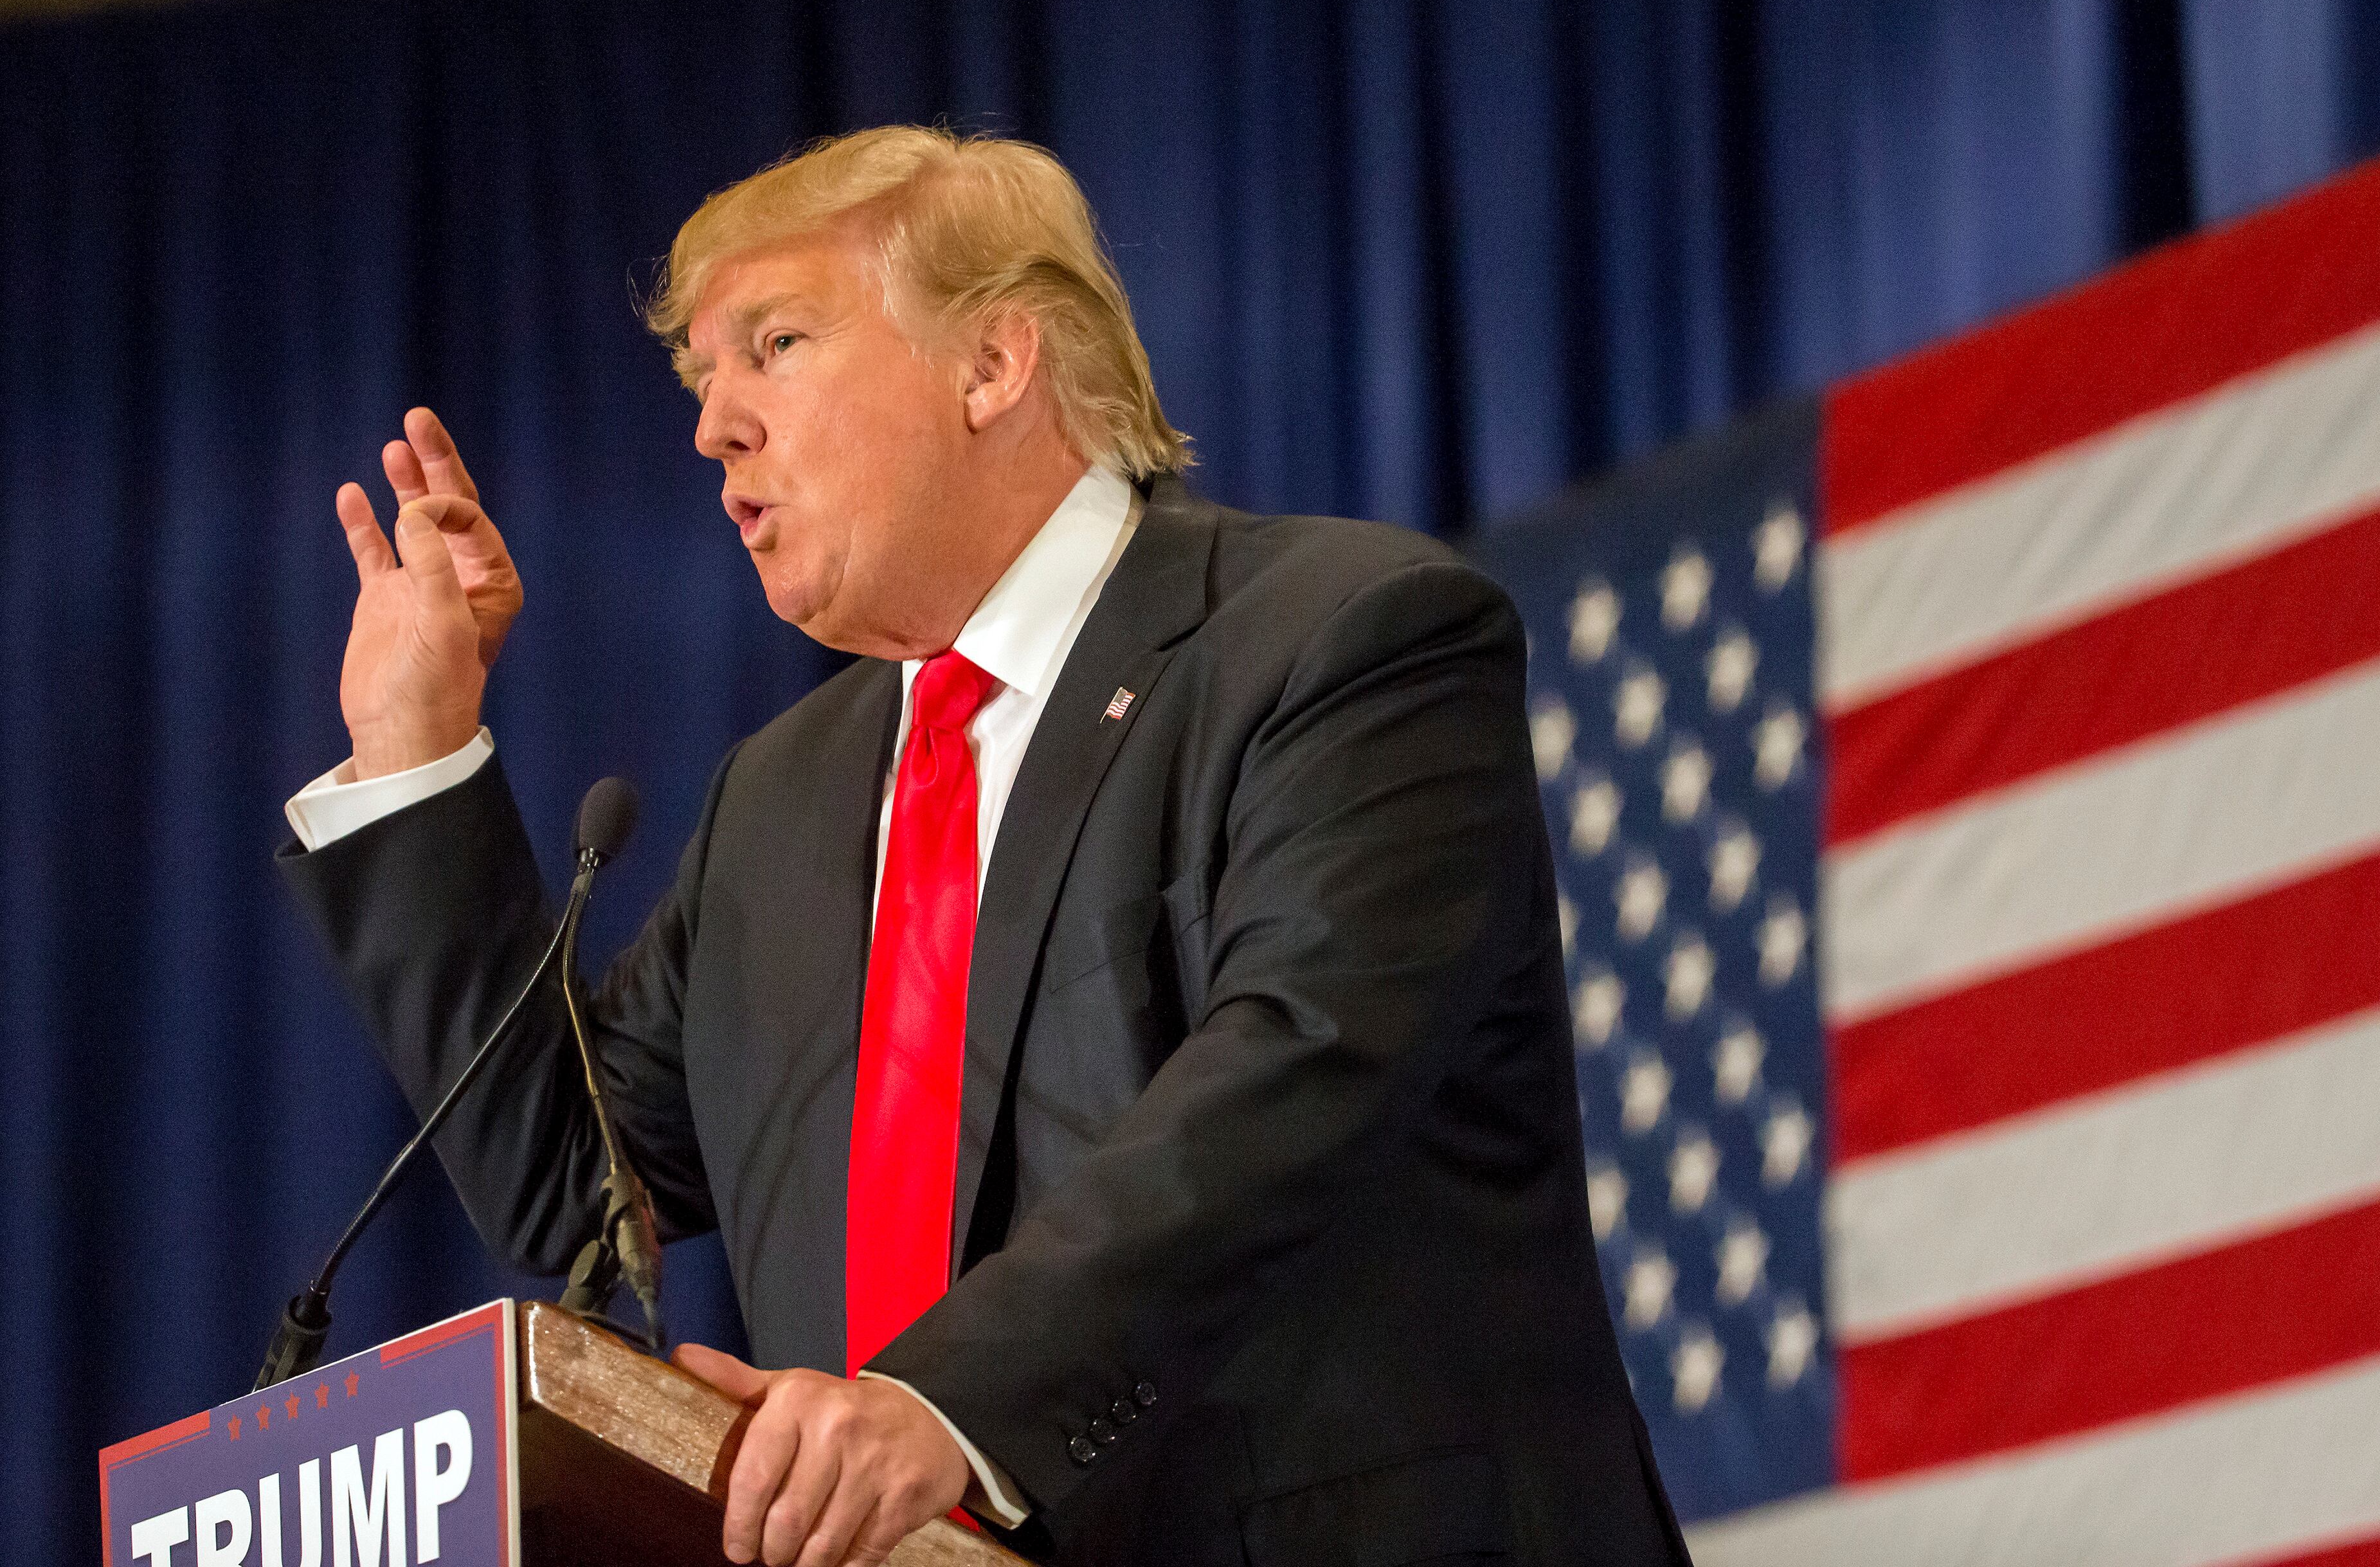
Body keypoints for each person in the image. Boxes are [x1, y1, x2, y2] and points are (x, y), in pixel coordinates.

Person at [278, 126, 1693, 1567]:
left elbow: (1297, 1071)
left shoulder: (1343, 639)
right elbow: (569, 1176)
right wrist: (418, 745)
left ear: (994, 362)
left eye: (776, 344)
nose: (715, 425)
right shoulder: (780, 803)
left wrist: (939, 1407)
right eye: (706, 382)